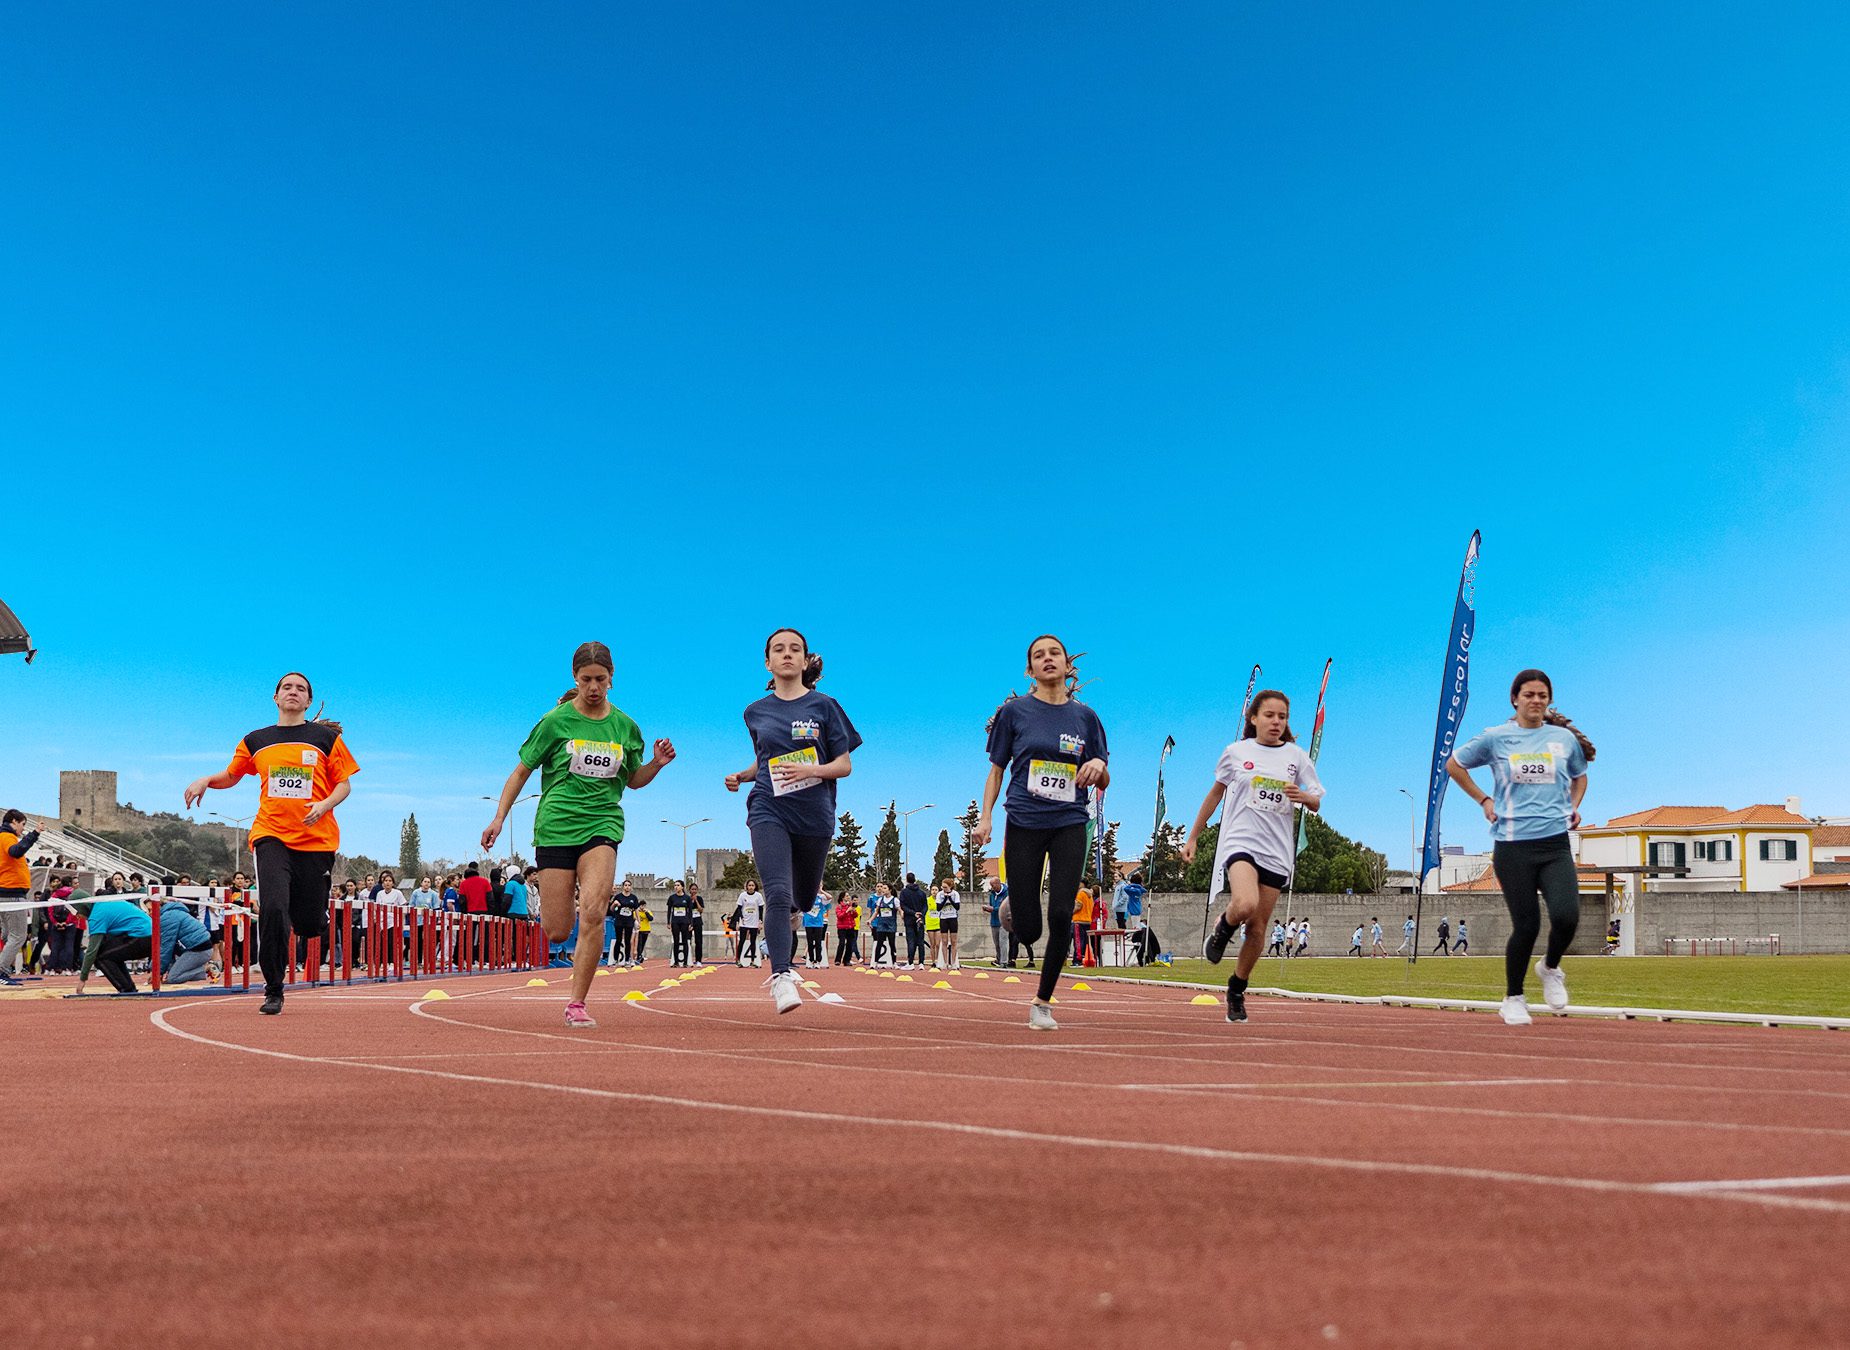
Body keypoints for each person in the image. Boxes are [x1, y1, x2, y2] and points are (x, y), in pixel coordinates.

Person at [481, 640, 676, 1028]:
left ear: (612, 679)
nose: (593, 687)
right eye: (586, 679)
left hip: (602, 823)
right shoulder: (554, 722)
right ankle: (566, 916)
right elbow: (520, 772)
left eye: (600, 679)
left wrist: (655, 764)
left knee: (594, 911)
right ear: (575, 677)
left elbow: (633, 780)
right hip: (555, 825)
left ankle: (577, 1003)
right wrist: (499, 817)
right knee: (557, 930)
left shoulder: (625, 726)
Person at [185, 672, 359, 1016]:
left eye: (301, 689)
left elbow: (344, 785)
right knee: (274, 909)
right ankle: (274, 988)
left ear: (309, 701)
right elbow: (232, 775)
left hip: (316, 841)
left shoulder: (325, 739)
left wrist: (324, 805)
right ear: (275, 697)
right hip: (270, 835)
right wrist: (206, 780)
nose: (293, 692)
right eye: (287, 687)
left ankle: (315, 913)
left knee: (309, 925)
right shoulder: (256, 740)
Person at [974, 635, 1110, 1031]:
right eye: (1039, 655)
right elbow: (996, 770)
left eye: (1055, 654)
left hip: (1069, 821)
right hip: (1024, 821)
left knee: (1062, 912)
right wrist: (985, 818)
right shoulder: (1015, 713)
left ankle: (1042, 1002)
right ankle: (1019, 911)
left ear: (1068, 667)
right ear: (1029, 670)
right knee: (1029, 925)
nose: (1047, 659)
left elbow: (1104, 773)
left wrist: (1097, 767)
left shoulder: (1086, 719)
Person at [1447, 667, 1594, 1027]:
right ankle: (1513, 997)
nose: (1535, 701)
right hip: (1513, 846)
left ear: (1549, 700)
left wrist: (1573, 806)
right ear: (1515, 699)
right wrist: (1483, 800)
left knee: (1566, 916)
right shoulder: (1497, 738)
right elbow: (1455, 764)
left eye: (1542, 695)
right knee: (1526, 925)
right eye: (1529, 695)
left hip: (1555, 843)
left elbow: (1580, 776)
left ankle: (1550, 967)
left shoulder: (1562, 740)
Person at [724, 629, 862, 1014]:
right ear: (768, 662)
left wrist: (813, 770)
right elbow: (766, 758)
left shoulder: (826, 706)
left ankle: (794, 920)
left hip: (814, 815)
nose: (787, 655)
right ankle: (782, 976)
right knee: (778, 895)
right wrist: (743, 775)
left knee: (801, 898)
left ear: (805, 661)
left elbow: (844, 765)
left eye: (795, 649)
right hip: (768, 809)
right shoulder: (755, 711)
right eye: (778, 650)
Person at [1183, 688, 1325, 1023]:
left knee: (1258, 929)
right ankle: (1223, 927)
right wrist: (1193, 837)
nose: (1276, 722)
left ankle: (1236, 987)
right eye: (1270, 715)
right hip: (1241, 841)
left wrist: (1302, 796)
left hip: (1276, 850)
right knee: (1244, 905)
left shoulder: (1296, 757)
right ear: (1254, 718)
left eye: (1283, 717)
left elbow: (1317, 799)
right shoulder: (1236, 752)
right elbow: (1215, 793)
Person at [74, 895, 153, 994]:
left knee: (100, 957)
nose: (76, 917)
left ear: (82, 908)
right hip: (148, 934)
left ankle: (126, 989)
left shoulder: (97, 916)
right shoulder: (103, 904)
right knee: (111, 953)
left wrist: (82, 979)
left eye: (76, 913)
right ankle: (128, 988)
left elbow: (92, 951)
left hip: (142, 936)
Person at [0, 809, 42, 984]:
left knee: (8, 935)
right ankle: (1, 971)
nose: (23, 829)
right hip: (12, 894)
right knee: (18, 935)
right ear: (14, 821)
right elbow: (16, 851)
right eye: (23, 824)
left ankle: (3, 969)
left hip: (6, 893)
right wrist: (35, 834)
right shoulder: (6, 837)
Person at [158, 896, 216, 984]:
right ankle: (205, 969)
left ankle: (207, 968)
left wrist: (158, 972)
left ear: (159, 905)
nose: (149, 913)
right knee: (172, 974)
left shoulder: (167, 917)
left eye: (151, 909)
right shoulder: (173, 912)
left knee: (173, 978)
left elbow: (166, 947)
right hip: (198, 947)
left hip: (199, 950)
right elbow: (169, 948)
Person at [897, 873, 927, 968]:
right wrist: (920, 914)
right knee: (920, 941)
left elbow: (903, 906)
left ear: (907, 880)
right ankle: (921, 963)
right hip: (920, 919)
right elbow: (925, 906)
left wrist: (913, 913)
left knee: (911, 941)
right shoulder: (922, 893)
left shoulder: (904, 892)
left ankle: (910, 962)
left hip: (909, 919)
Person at [733, 880, 764, 967]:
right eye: (749, 885)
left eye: (752, 885)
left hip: (754, 922)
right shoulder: (743, 895)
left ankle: (753, 961)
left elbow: (761, 909)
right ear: (747, 886)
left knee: (753, 941)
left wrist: (760, 921)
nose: (751, 887)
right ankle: (738, 960)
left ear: (755, 886)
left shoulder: (758, 895)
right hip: (744, 922)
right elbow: (739, 908)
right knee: (742, 941)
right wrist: (740, 919)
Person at [869, 883, 898, 967]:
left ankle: (894, 962)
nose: (883, 889)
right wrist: (870, 920)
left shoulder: (895, 900)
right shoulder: (880, 900)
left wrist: (903, 915)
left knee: (892, 944)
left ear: (890, 890)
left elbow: (900, 910)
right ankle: (875, 962)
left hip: (891, 925)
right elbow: (876, 911)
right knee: (879, 943)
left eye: (885, 888)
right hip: (881, 924)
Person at [667, 881, 696, 967]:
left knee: (685, 941)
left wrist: (691, 923)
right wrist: (668, 922)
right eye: (675, 885)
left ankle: (685, 962)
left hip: (685, 922)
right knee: (676, 941)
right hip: (675, 922)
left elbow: (690, 912)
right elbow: (669, 911)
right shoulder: (672, 898)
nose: (676, 887)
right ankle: (675, 962)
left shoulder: (687, 898)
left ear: (682, 887)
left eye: (678, 885)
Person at [935, 877, 961, 969]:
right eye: (942, 887)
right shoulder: (940, 895)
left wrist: (950, 898)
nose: (944, 889)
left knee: (954, 941)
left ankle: (953, 962)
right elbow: (938, 908)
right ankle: (945, 962)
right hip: (944, 918)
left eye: (945, 887)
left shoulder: (955, 894)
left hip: (953, 918)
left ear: (950, 887)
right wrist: (945, 899)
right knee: (944, 941)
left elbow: (957, 907)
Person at [982, 876, 1007, 966]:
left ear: (998, 883)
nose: (992, 887)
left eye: (993, 885)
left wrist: (993, 909)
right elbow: (991, 905)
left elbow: (1005, 907)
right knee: (996, 943)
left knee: (1003, 941)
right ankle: (999, 959)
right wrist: (987, 908)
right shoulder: (992, 894)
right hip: (994, 921)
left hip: (1004, 921)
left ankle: (1004, 962)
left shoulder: (1006, 893)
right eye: (991, 885)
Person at [1071, 880, 1096, 968]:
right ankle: (1082, 958)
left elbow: (1078, 906)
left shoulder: (1080, 893)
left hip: (1079, 920)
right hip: (1087, 920)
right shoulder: (1090, 895)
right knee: (1085, 941)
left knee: (1078, 941)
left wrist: (1071, 913)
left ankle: (1077, 961)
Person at [802, 892, 829, 966]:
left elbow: (829, 897)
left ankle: (818, 960)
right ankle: (811, 960)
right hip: (808, 923)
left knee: (818, 942)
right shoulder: (807, 897)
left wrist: (821, 890)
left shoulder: (821, 897)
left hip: (818, 923)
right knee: (810, 942)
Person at [834, 891, 859, 966]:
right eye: (847, 895)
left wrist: (853, 911)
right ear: (843, 897)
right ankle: (838, 959)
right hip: (842, 928)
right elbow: (839, 916)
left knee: (850, 944)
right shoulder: (839, 907)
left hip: (850, 927)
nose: (848, 897)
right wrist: (847, 911)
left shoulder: (850, 905)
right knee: (841, 943)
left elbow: (855, 915)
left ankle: (847, 960)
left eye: (848, 896)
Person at [686, 881, 706, 964]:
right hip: (689, 921)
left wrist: (696, 901)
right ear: (689, 890)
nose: (693, 891)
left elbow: (701, 910)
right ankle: (687, 959)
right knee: (687, 940)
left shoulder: (700, 898)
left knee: (698, 941)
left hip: (697, 921)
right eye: (692, 889)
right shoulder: (687, 899)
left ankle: (698, 960)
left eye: (695, 889)